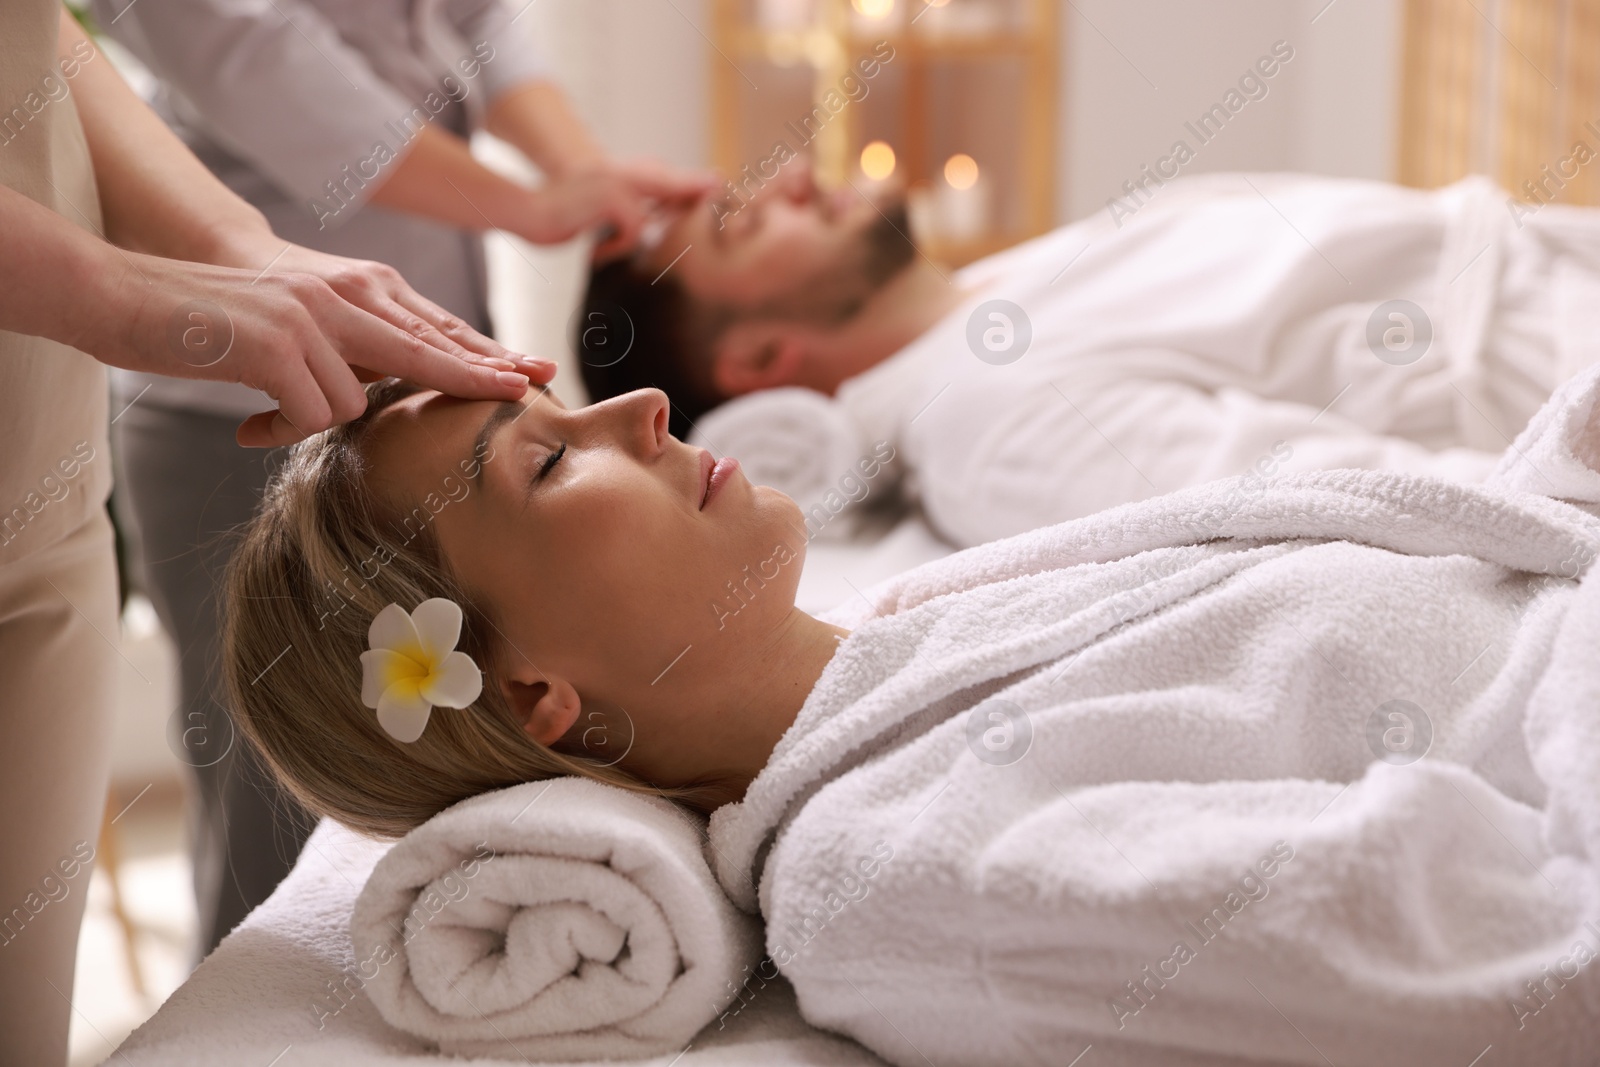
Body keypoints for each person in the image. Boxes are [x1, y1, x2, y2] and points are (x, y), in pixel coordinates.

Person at [220, 371, 1600, 1065]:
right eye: (547, 456)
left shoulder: (928, 632)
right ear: (536, 697)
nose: (641, 405)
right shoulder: (901, 872)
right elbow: (1522, 964)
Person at [87, 0, 713, 958]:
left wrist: (580, 176)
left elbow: (478, 18)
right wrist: (525, 205)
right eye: (548, 456)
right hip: (236, 398)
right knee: (275, 803)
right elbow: (242, 48)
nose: (645, 421)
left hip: (412, 365)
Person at [0, 4, 559, 1063]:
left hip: (39, 466)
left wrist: (239, 251)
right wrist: (120, 294)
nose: (646, 412)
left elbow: (31, 37)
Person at [579, 163, 1600, 547]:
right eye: (740, 224)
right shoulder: (997, 420)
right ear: (758, 358)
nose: (793, 172)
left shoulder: (991, 301)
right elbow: (1380, 503)